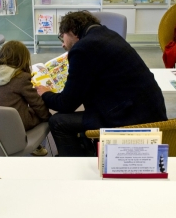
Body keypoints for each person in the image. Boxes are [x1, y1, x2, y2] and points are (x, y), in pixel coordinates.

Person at [35, 11, 167, 157]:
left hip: (131, 119)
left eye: (62, 36)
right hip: (149, 111)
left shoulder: (83, 49)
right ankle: (87, 152)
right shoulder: (107, 34)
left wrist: (45, 93)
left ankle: (75, 166)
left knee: (58, 122)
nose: (63, 44)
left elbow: (66, 104)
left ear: (72, 31)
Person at [0, 41, 51, 156]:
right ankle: (37, 147)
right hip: (16, 125)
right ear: (22, 59)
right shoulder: (21, 77)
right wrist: (47, 117)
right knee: (42, 114)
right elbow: (36, 103)